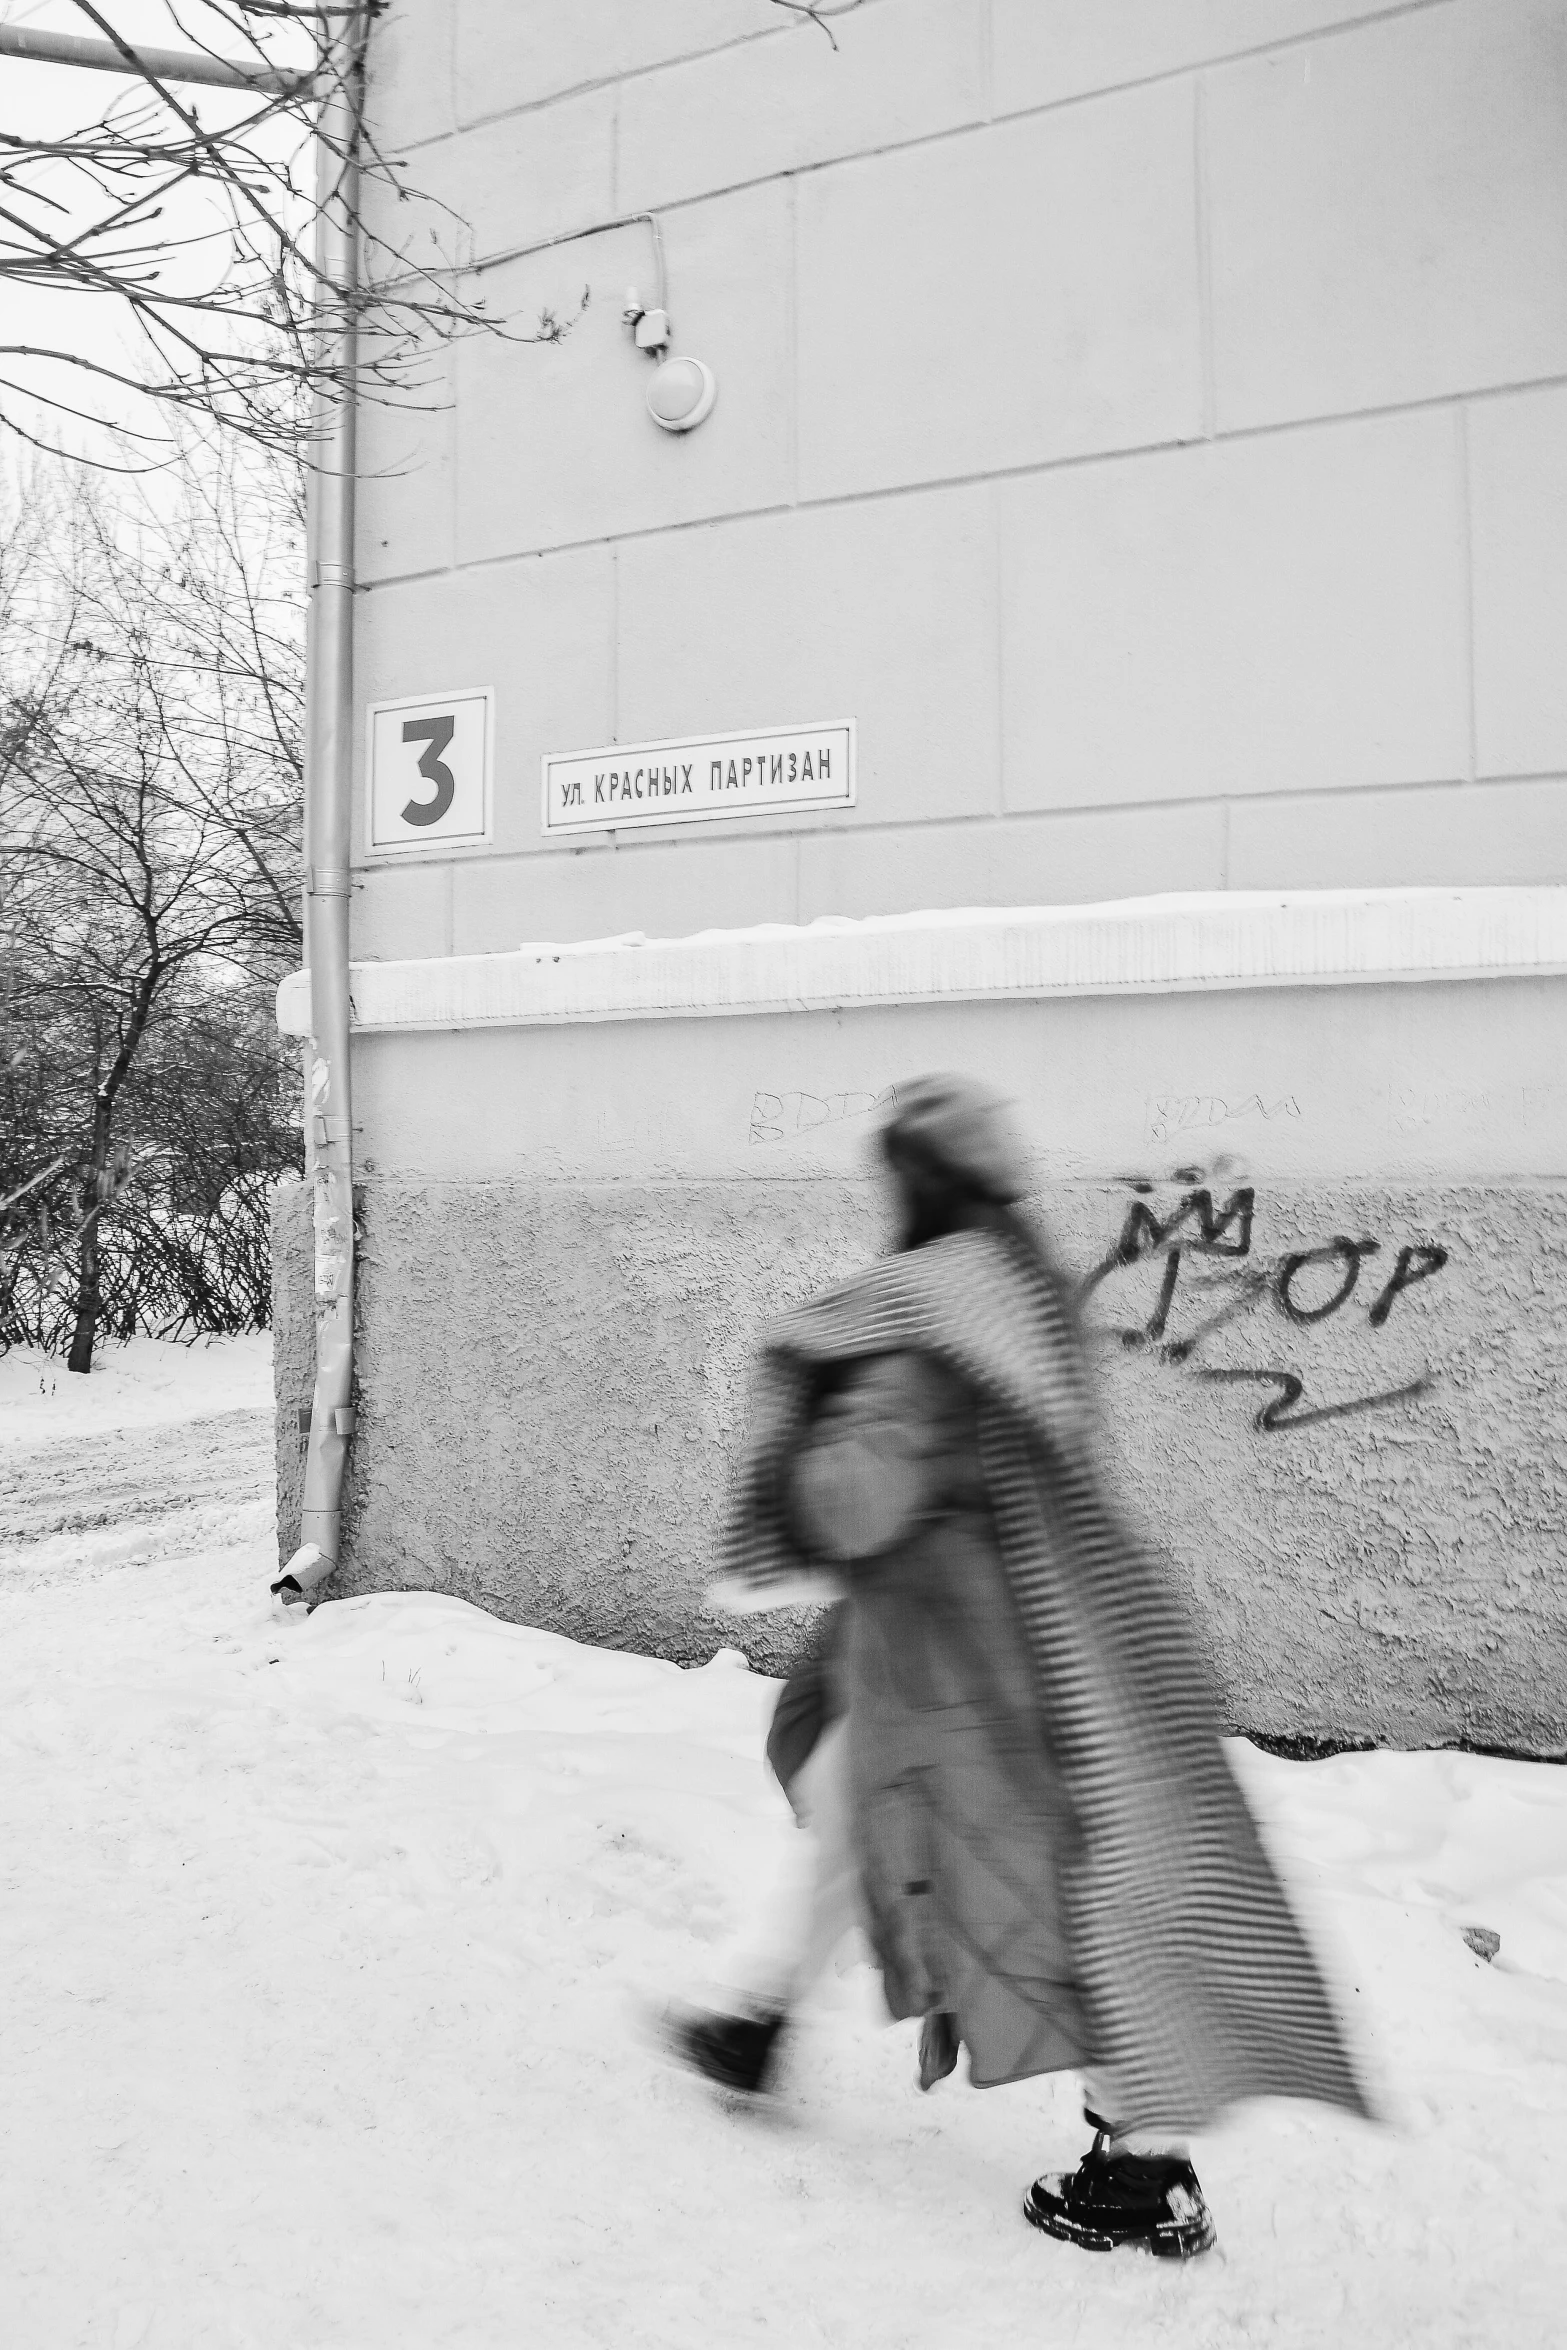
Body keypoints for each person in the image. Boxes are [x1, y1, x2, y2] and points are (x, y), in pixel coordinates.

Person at [664, 1073, 1369, 2260]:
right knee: (856, 1816)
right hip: (973, 1645)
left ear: (916, 1184)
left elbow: (857, 1497)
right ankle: (760, 2014)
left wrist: (805, 1426)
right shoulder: (1015, 1286)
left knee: (1018, 1889)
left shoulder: (919, 1317)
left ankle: (1146, 2163)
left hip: (955, 1665)